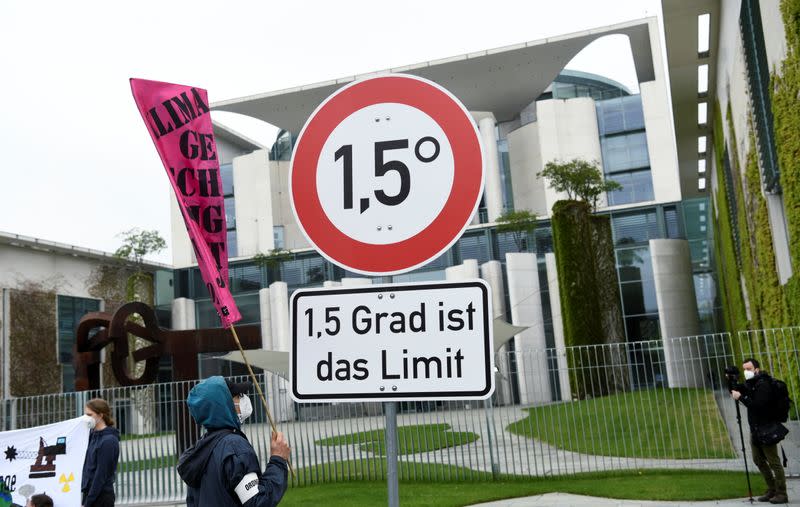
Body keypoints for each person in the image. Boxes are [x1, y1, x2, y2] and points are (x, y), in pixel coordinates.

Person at [177, 376, 290, 506]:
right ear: (224, 405)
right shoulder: (234, 446)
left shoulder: (202, 448)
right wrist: (278, 460)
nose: (244, 399)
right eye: (238, 395)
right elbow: (257, 502)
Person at [730, 358, 788, 504]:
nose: (746, 372)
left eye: (748, 369)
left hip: (767, 428)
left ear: (756, 369)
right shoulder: (752, 383)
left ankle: (782, 493)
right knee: (758, 459)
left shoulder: (763, 384)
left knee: (773, 461)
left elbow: (758, 406)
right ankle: (772, 489)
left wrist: (741, 397)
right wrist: (730, 380)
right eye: (744, 369)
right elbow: (735, 390)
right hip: (755, 429)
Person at [81, 398, 120, 507]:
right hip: (89, 493)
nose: (86, 418)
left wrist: (88, 501)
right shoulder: (92, 436)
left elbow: (101, 474)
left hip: (101, 496)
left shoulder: (109, 440)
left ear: (100, 415)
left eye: (89, 415)